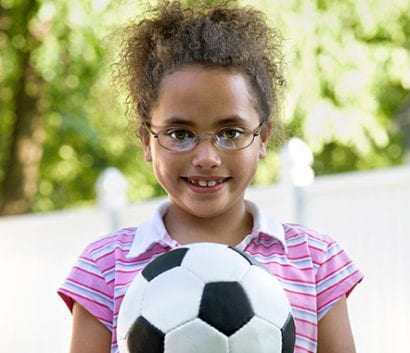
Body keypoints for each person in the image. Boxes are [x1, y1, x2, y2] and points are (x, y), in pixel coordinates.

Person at [58, 1, 363, 352]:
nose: (206, 158)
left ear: (262, 138)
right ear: (146, 140)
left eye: (231, 132)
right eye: (180, 134)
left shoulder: (314, 262)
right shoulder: (104, 266)